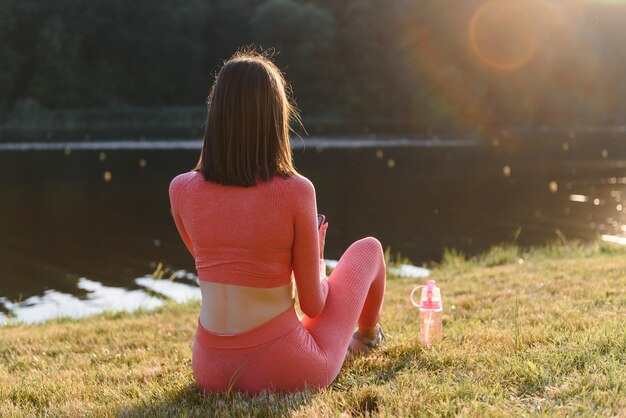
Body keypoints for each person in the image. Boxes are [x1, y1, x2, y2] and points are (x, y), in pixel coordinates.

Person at [168, 49, 386, 394]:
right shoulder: (295, 191)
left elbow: (215, 264)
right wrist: (315, 259)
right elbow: (313, 305)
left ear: (218, 112)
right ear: (275, 116)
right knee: (369, 250)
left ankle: (361, 337)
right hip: (283, 368)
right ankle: (368, 337)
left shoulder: (180, 189)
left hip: (209, 368)